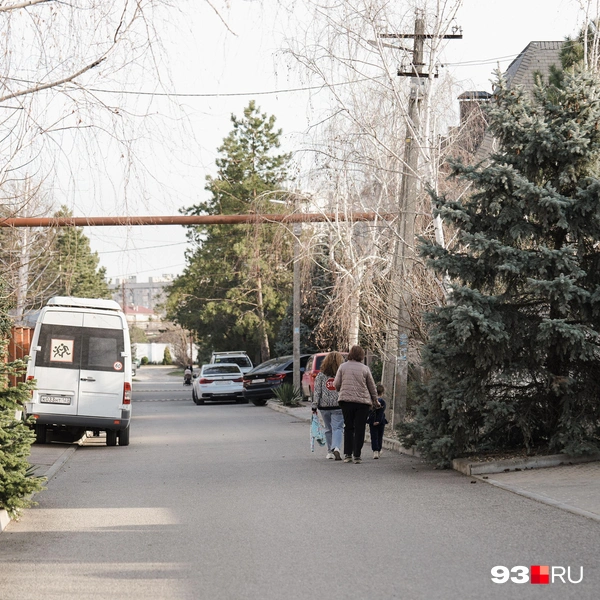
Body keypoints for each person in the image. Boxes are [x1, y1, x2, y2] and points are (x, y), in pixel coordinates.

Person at [333, 345, 379, 464]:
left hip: (346, 401)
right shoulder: (365, 368)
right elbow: (372, 386)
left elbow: (336, 383)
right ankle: (357, 455)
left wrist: (341, 390)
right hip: (362, 403)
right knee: (360, 428)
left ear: (350, 354)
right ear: (361, 355)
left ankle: (347, 454)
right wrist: (375, 400)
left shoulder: (342, 367)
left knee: (348, 427)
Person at [311, 351, 345, 461]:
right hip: (338, 405)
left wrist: (314, 405)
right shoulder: (342, 375)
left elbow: (317, 391)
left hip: (324, 406)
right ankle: (336, 447)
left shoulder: (320, 375)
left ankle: (330, 451)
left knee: (328, 428)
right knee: (338, 427)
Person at [367, 384, 388, 459]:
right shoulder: (382, 402)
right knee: (380, 436)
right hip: (381, 421)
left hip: (372, 421)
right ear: (382, 393)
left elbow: (369, 411)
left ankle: (375, 450)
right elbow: (381, 412)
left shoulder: (370, 401)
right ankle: (379, 449)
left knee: (374, 436)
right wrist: (378, 420)